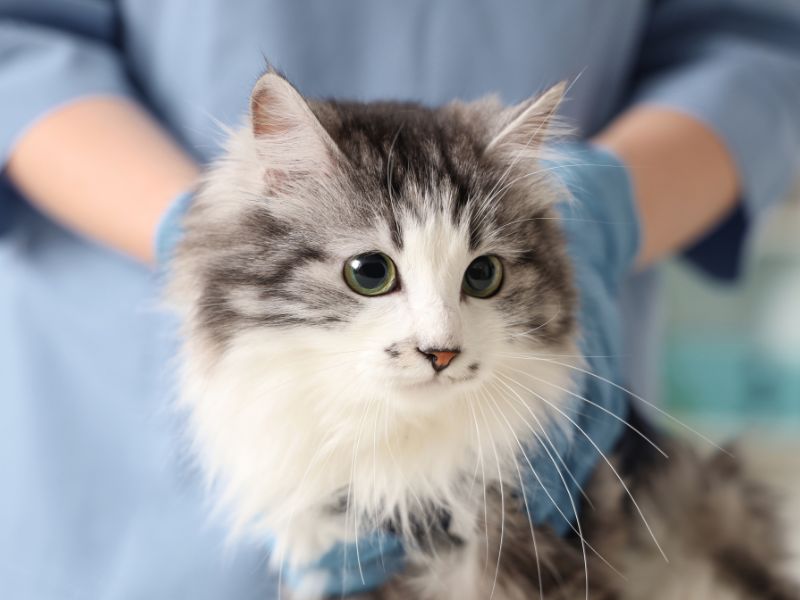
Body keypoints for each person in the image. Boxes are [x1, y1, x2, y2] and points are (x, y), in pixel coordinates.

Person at [1, 1, 799, 598]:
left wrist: (612, 207)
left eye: (475, 280)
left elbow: (754, 46)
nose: (437, 339)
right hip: (114, 468)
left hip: (546, 452)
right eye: (373, 276)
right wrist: (191, 224)